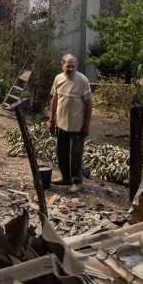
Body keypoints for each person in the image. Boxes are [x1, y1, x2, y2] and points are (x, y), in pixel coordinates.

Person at [48, 54, 92, 193]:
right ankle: (66, 178)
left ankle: (77, 181)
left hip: (77, 126)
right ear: (63, 66)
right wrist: (51, 119)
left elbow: (89, 104)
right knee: (61, 153)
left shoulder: (82, 80)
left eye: (73, 66)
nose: (71, 69)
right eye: (68, 66)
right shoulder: (58, 79)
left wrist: (86, 125)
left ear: (76, 67)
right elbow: (54, 100)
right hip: (61, 124)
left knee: (75, 155)